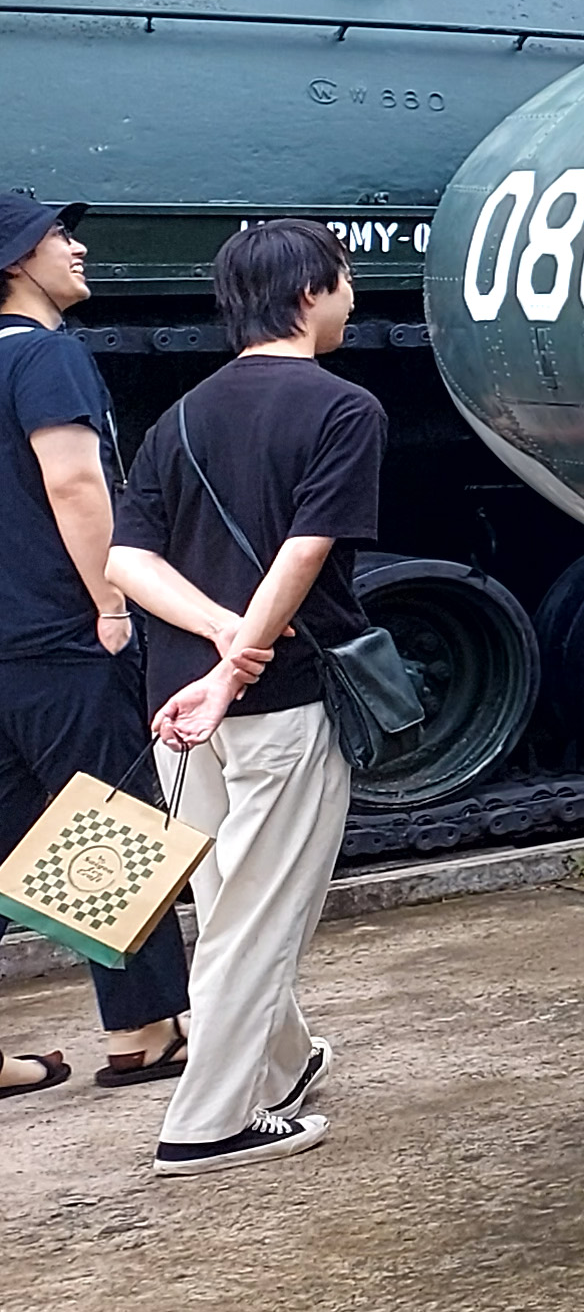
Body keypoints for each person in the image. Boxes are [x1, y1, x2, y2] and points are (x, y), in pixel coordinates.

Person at [107, 219, 384, 1176]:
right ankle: (208, 1123)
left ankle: (284, 1060)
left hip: (179, 708)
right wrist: (239, 663)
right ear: (309, 291)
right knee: (258, 917)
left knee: (230, 899)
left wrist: (219, 637)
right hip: (275, 701)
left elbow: (127, 560)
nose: (351, 298)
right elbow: (303, 554)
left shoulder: (179, 415)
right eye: (344, 280)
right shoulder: (344, 408)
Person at [0, 193, 190, 1098]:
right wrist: (113, 602)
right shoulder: (44, 355)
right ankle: (142, 1030)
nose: (76, 247)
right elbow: (76, 483)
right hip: (58, 636)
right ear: (15, 259)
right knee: (105, 825)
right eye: (58, 235)